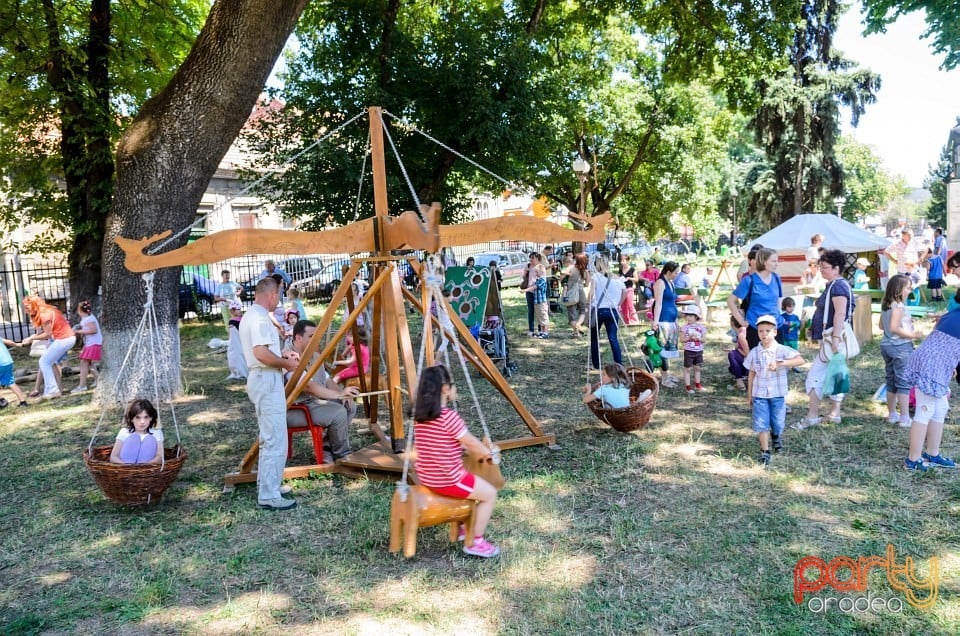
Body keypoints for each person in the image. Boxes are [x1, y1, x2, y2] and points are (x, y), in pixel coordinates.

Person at [413, 364, 501, 558]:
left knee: (470, 481)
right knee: (489, 494)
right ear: (445, 389)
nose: (455, 388)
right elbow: (470, 442)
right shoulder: (449, 417)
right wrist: (488, 454)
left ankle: (462, 526)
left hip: (426, 477)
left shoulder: (421, 417)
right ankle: (476, 542)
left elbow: (438, 443)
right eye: (453, 384)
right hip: (447, 479)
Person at [239, 277, 301, 511]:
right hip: (266, 379)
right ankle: (268, 494)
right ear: (272, 295)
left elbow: (266, 352)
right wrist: (286, 364)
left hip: (263, 378)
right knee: (275, 438)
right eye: (279, 295)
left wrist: (282, 355)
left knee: (271, 436)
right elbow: (261, 354)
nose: (279, 301)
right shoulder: (260, 319)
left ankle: (270, 484)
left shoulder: (253, 316)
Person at [286, 320, 359, 464]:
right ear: (298, 338)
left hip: (312, 403)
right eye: (311, 336)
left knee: (350, 406)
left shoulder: (313, 355)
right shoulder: (288, 357)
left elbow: (326, 380)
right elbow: (308, 387)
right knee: (338, 412)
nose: (316, 340)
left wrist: (342, 393)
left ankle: (326, 446)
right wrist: (339, 394)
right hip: (295, 408)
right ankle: (342, 455)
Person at [795, 249, 853, 430]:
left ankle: (812, 416)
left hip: (832, 339)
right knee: (836, 373)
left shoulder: (837, 287)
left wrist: (835, 338)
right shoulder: (837, 284)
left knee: (814, 377)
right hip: (834, 338)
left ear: (837, 268)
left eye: (825, 267)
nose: (821, 270)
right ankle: (834, 413)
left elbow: (840, 313)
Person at [902, 308, 960, 471]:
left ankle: (932, 454)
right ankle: (912, 460)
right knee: (925, 409)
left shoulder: (953, 313)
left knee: (940, 407)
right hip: (932, 365)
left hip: (934, 362)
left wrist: (952, 363)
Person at [745, 315, 804, 465]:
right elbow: (751, 373)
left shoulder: (781, 350)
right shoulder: (754, 352)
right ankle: (765, 451)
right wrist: (749, 393)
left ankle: (776, 435)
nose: (764, 334)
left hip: (777, 394)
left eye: (767, 331)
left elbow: (800, 360)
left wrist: (782, 363)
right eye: (760, 331)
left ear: (775, 332)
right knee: (761, 422)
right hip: (760, 394)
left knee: (777, 422)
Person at [879, 275, 921, 428]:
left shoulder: (886, 305)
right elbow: (893, 328)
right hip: (900, 347)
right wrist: (913, 335)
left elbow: (882, 326)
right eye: (907, 288)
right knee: (903, 382)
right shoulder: (899, 306)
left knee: (891, 380)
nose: (909, 291)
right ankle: (904, 417)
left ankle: (892, 414)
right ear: (898, 290)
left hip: (886, 346)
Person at [20, 295, 76, 400]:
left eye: (27, 307)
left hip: (64, 339)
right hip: (65, 339)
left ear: (34, 305)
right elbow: (47, 332)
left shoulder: (44, 314)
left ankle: (53, 390)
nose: (25, 310)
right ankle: (51, 390)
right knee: (49, 362)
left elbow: (48, 334)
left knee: (44, 362)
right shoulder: (47, 311)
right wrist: (33, 337)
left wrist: (31, 339)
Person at [727, 248, 784, 350]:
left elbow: (778, 299)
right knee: (757, 362)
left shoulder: (776, 278)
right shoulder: (749, 280)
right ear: (763, 261)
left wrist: (778, 314)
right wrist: (742, 322)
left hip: (775, 327)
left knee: (777, 362)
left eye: (777, 261)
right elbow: (730, 301)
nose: (777, 264)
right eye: (773, 261)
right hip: (756, 328)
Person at [588, 254, 627, 369]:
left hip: (599, 310)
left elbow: (591, 294)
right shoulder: (616, 277)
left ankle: (596, 364)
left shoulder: (596, 276)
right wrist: (618, 303)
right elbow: (625, 291)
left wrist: (588, 305)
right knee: (613, 338)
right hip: (613, 311)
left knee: (595, 337)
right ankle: (618, 363)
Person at [651, 261, 681, 387]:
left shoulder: (671, 282)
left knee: (667, 349)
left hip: (671, 320)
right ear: (668, 272)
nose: (676, 275)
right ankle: (664, 378)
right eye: (675, 273)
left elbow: (673, 302)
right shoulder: (660, 283)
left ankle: (667, 374)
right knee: (661, 349)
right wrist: (656, 321)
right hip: (663, 319)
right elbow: (658, 303)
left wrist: (676, 320)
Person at [109, 399, 163, 465]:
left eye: (146, 417)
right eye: (138, 417)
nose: (142, 422)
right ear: (131, 419)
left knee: (150, 440)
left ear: (151, 418)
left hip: (146, 469)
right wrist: (127, 466)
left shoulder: (157, 433)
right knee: (134, 438)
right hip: (126, 468)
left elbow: (159, 457)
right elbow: (113, 457)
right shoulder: (124, 432)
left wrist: (142, 467)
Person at [582, 362, 648, 408]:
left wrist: (588, 391)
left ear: (612, 378)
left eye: (604, 375)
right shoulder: (624, 385)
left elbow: (585, 400)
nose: (601, 376)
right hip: (627, 411)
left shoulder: (603, 389)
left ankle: (638, 402)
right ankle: (638, 402)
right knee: (646, 393)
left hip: (612, 414)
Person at [70, 300, 102, 394]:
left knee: (84, 363)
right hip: (90, 343)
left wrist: (78, 332)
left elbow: (94, 330)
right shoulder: (87, 318)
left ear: (80, 310)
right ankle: (99, 380)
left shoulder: (89, 319)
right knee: (87, 363)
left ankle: (82, 385)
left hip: (93, 343)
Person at [679, 304, 707, 394]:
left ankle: (698, 384)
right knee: (687, 369)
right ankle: (688, 387)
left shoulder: (701, 327)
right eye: (687, 315)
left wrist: (698, 339)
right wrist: (689, 338)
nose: (688, 317)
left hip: (698, 351)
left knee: (698, 368)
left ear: (696, 317)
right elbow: (682, 340)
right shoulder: (684, 328)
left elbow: (704, 340)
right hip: (689, 352)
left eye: (691, 316)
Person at [522, 257, 550, 338]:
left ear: (541, 272)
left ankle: (545, 332)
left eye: (537, 272)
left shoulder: (542, 280)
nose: (536, 274)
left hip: (541, 302)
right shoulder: (538, 279)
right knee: (539, 317)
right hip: (537, 302)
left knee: (544, 317)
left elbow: (534, 287)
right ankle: (541, 331)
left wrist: (525, 290)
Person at [564, 253, 590, 337]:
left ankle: (576, 329)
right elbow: (587, 284)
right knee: (582, 310)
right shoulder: (585, 271)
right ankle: (578, 325)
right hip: (581, 292)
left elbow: (561, 276)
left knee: (572, 314)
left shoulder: (571, 268)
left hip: (571, 292)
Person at [0, 337, 28, 407]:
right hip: (8, 361)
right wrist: (16, 344)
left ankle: (1, 401)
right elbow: (9, 342)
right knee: (11, 382)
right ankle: (23, 402)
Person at [226, 301, 248, 380]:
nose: (239, 311)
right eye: (237, 309)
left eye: (240, 309)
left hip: (242, 341)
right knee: (236, 356)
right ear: (232, 311)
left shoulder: (242, 319)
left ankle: (243, 370)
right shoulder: (232, 321)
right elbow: (232, 334)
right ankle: (238, 371)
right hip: (236, 343)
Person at [520, 253, 541, 337]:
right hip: (529, 290)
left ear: (537, 258)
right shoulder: (528, 266)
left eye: (533, 258)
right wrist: (526, 272)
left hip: (537, 291)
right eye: (530, 258)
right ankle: (531, 329)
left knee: (539, 311)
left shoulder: (540, 267)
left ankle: (540, 329)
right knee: (531, 310)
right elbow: (523, 276)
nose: (531, 260)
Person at [727, 316, 750, 391]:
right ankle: (745, 378)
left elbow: (748, 355)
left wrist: (738, 350)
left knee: (732, 354)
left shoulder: (741, 335)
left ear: (732, 323)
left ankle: (740, 382)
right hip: (747, 363)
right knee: (731, 368)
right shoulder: (741, 332)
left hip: (751, 365)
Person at [618, 253, 640, 325]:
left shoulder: (632, 269)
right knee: (623, 306)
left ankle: (635, 320)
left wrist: (629, 278)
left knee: (630, 305)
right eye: (621, 260)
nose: (622, 262)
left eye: (623, 260)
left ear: (627, 261)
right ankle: (627, 321)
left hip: (629, 289)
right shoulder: (620, 270)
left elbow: (636, 279)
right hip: (622, 290)